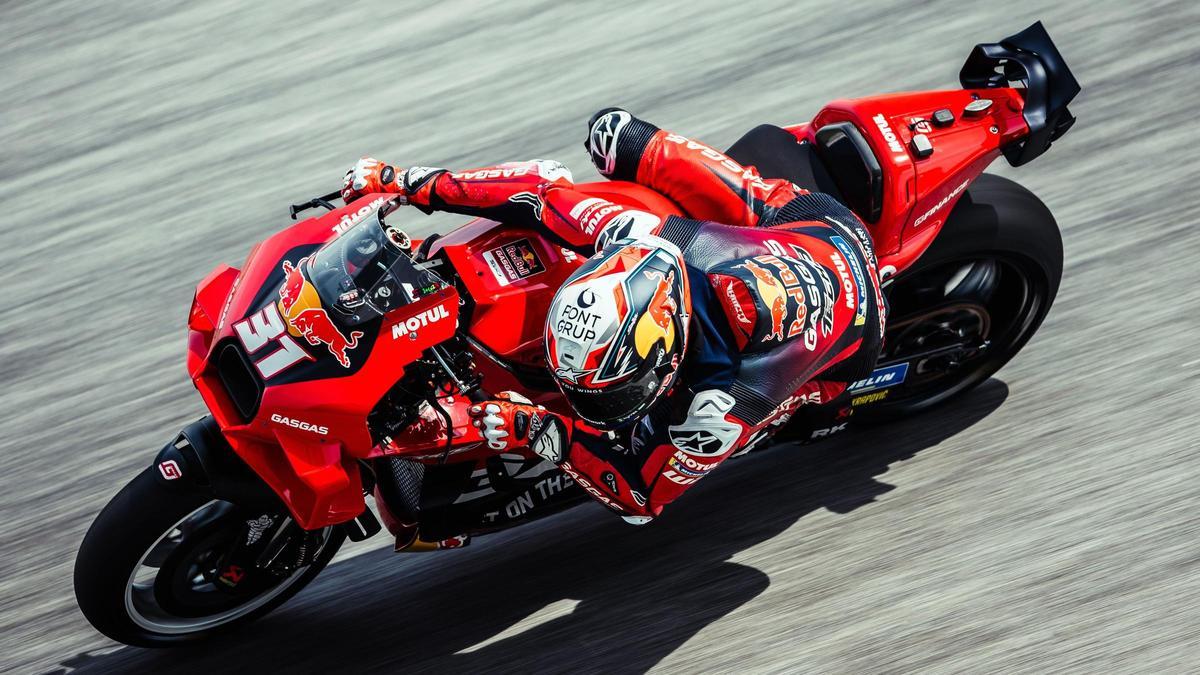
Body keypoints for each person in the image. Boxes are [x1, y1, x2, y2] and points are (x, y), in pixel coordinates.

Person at [340, 108, 885, 524]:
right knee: (614, 132)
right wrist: (408, 182)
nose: (590, 401)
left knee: (802, 403)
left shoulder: (715, 411)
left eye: (608, 391)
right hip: (795, 235)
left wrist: (538, 428)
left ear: (666, 364)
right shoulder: (634, 237)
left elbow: (642, 499)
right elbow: (535, 194)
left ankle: (828, 401)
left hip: (854, 318)